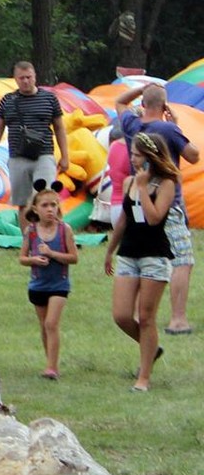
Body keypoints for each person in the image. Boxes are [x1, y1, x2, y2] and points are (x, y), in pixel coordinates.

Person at [110, 83, 199, 333]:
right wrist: (177, 124)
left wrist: (141, 90)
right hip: (166, 200)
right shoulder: (167, 128)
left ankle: (139, 313)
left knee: (146, 253)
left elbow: (118, 102)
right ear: (164, 106)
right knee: (182, 259)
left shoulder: (131, 125)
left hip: (137, 196)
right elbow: (193, 156)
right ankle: (177, 319)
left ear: (143, 104)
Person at [103, 132, 179, 392]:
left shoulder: (166, 183)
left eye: (136, 154)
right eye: (132, 154)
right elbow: (125, 218)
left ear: (149, 156)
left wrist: (145, 187)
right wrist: (110, 249)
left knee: (146, 317)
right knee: (122, 315)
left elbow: (154, 217)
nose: (132, 159)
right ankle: (151, 348)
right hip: (129, 254)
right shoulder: (129, 182)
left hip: (154, 256)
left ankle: (144, 377)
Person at [0, 61, 71, 198]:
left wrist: (65, 156)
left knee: (44, 197)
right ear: (15, 79)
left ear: (35, 77)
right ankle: (24, 220)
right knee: (22, 203)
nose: (25, 81)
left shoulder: (49, 99)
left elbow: (59, 128)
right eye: (21, 78)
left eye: (28, 77)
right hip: (18, 157)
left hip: (44, 154)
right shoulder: (7, 101)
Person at [19, 184, 77, 380]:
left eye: (53, 205)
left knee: (52, 323)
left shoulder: (64, 230)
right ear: (35, 208)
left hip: (59, 285)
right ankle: (49, 361)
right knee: (44, 325)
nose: (50, 209)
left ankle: (52, 367)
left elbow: (73, 257)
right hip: (38, 285)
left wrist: (52, 254)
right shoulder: (31, 231)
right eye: (45, 205)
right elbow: (22, 258)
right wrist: (34, 260)